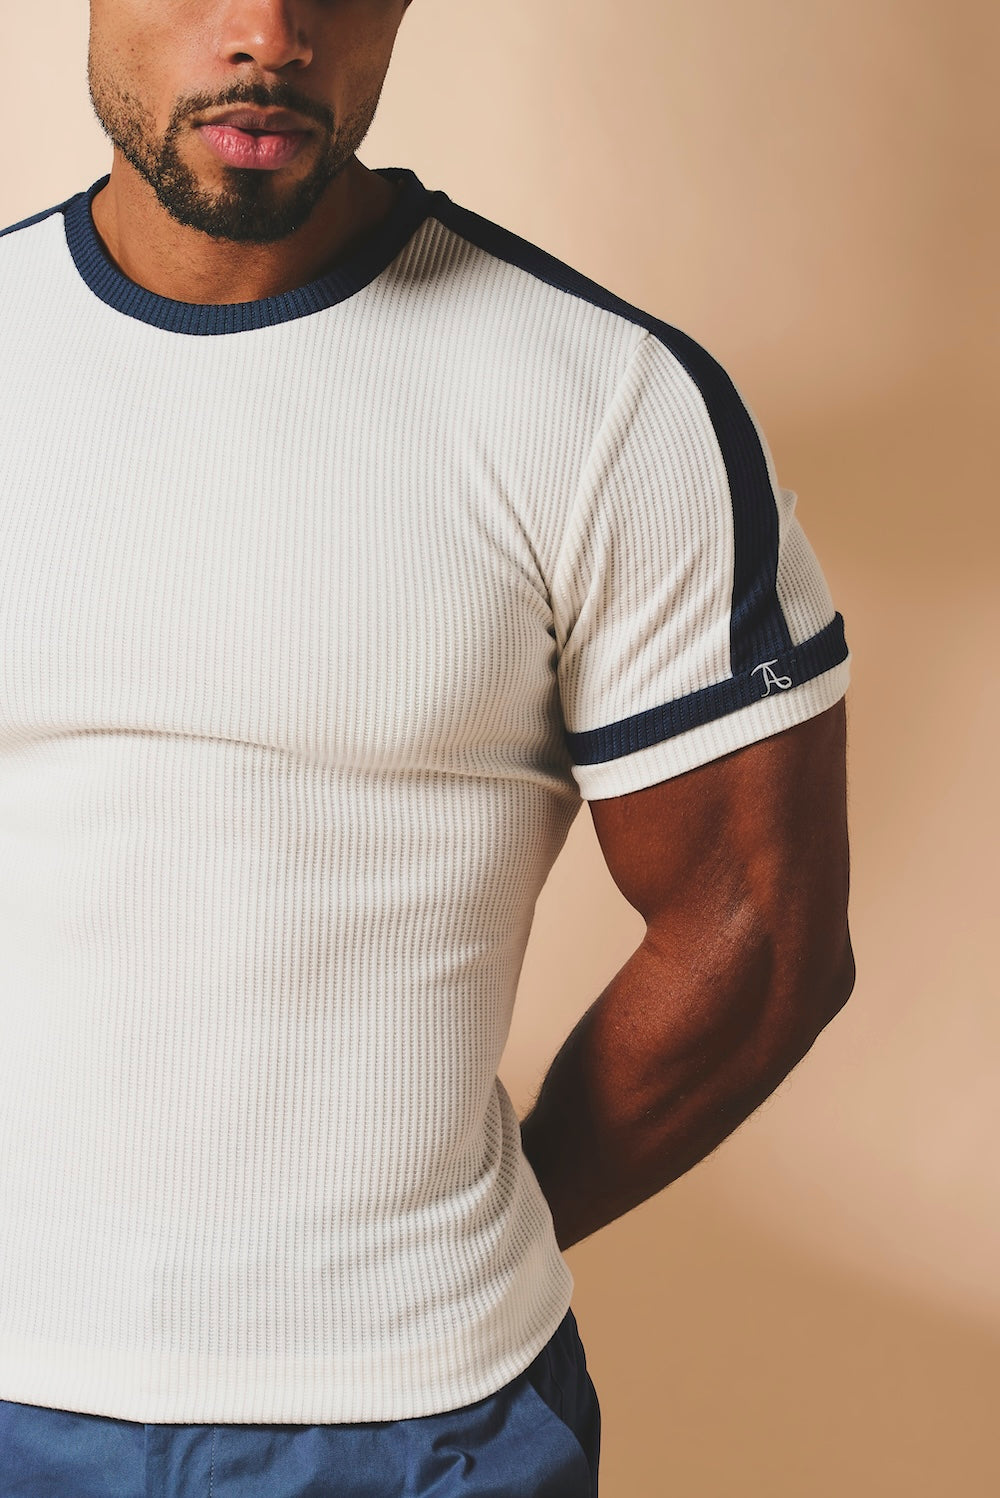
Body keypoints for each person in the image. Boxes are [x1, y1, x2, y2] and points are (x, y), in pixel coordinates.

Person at [0, 1, 855, 1493]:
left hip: (419, 1416)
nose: (271, 32)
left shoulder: (607, 401)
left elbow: (762, 932)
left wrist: (465, 1240)